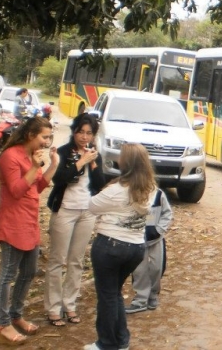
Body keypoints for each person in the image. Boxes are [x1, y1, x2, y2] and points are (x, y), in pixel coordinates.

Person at [0, 117, 58, 345]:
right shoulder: (10, 156)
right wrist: (34, 166)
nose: (47, 142)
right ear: (30, 135)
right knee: (8, 274)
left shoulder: (33, 156)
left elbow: (37, 187)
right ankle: (1, 323)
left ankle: (15, 315)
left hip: (29, 221)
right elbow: (18, 190)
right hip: (12, 222)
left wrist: (53, 165)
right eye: (44, 137)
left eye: (49, 137)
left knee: (29, 272)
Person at [85, 143, 155, 350]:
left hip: (110, 246)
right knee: (114, 293)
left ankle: (106, 343)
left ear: (126, 164)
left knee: (107, 296)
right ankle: (121, 340)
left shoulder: (116, 190)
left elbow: (92, 206)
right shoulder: (150, 189)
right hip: (135, 247)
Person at [44, 113, 106, 327]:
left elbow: (100, 184)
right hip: (65, 210)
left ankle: (69, 304)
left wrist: (93, 163)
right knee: (57, 260)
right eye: (81, 131)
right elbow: (59, 179)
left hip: (86, 211)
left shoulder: (94, 154)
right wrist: (81, 162)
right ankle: (53, 308)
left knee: (76, 261)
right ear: (74, 131)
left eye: (89, 133)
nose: (84, 137)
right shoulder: (63, 152)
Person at [125, 188, 173, 314]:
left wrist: (159, 230)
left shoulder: (158, 194)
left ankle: (153, 294)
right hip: (137, 239)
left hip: (155, 239)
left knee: (157, 267)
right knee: (139, 269)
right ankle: (140, 299)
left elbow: (167, 213)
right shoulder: (129, 193)